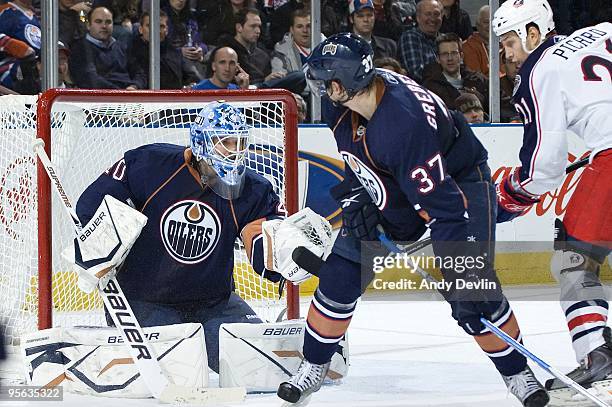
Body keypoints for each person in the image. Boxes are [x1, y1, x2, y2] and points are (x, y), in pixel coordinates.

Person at [276, 32, 549, 407]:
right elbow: (357, 157)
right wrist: (358, 198)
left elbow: (447, 210)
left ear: (350, 78)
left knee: (473, 292)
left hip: (459, 182)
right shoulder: (341, 104)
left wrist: (463, 271)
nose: (321, 88)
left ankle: (518, 373)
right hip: (399, 178)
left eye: (327, 79)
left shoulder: (404, 124)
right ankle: (315, 364)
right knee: (342, 272)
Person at [72, 102, 285, 373]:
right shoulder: (148, 164)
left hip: (214, 303)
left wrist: (285, 252)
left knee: (257, 366)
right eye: (226, 142)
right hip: (145, 300)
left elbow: (263, 246)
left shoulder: (254, 188)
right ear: (201, 142)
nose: (235, 152)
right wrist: (98, 243)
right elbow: (91, 204)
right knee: (178, 370)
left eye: (240, 142)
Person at [492, 0, 612, 395]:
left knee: (574, 260)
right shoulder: (604, 29)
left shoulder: (539, 69)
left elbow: (544, 169)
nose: (506, 55)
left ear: (532, 33)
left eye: (510, 42)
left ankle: (597, 354)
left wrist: (507, 199)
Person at [69, 6, 141, 89]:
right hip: (100, 98)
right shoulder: (80, 49)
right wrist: (120, 92)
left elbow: (139, 72)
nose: (104, 26)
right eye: (98, 21)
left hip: (130, 95)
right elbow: (91, 80)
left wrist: (135, 86)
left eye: (108, 22)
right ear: (88, 25)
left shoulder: (121, 47)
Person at [128, 11, 198, 89]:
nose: (156, 30)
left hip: (174, 98)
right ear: (140, 29)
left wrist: (191, 85)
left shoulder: (174, 51)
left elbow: (192, 77)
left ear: (167, 30)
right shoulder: (130, 50)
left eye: (161, 26)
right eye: (150, 26)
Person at [422, 33, 489, 111]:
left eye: (454, 53)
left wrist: (482, 100)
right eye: (445, 54)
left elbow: (501, 106)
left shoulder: (479, 80)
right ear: (438, 59)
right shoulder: (430, 88)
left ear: (461, 56)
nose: (450, 58)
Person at [0, 0, 41, 92]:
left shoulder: (36, 16)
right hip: (9, 72)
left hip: (33, 72)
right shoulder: (5, 11)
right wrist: (15, 47)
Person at [397, 0, 442, 83]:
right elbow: (416, 72)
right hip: (423, 91)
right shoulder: (410, 37)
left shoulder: (445, 39)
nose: (432, 18)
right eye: (428, 14)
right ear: (418, 17)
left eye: (436, 14)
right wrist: (445, 80)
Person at [462, 5, 490, 76]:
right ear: (478, 25)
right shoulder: (468, 47)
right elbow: (476, 79)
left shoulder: (504, 44)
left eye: (494, 22)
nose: (490, 26)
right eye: (486, 22)